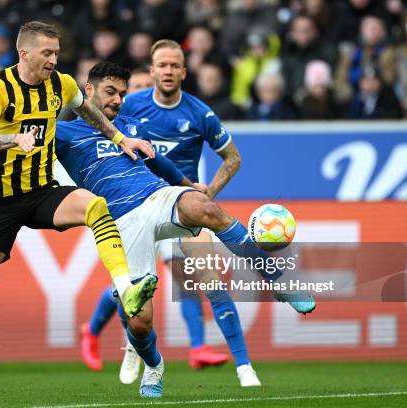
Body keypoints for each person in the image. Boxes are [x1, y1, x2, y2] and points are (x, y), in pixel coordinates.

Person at [56, 61, 316, 398]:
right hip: (119, 223)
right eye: (110, 92)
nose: (118, 100)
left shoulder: (132, 127)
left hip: (157, 197)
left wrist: (187, 184)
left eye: (122, 93)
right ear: (87, 92)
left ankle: (277, 281)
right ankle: (153, 364)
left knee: (204, 207)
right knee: (139, 321)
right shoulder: (64, 134)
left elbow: (159, 164)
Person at [0, 21, 157, 363]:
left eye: (56, 52)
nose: (53, 59)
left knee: (95, 206)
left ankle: (126, 290)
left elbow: (89, 111)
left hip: (41, 192)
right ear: (24, 53)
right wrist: (14, 139)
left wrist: (120, 139)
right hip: (1, 202)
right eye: (46, 52)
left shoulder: (61, 85)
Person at [119, 39, 260, 386]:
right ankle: (134, 347)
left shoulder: (199, 113)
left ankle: (245, 367)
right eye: (161, 65)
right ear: (151, 71)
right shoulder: (129, 105)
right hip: (137, 207)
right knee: (129, 290)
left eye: (174, 65)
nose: (167, 71)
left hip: (182, 210)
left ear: (184, 71)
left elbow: (234, 158)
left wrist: (208, 192)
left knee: (210, 282)